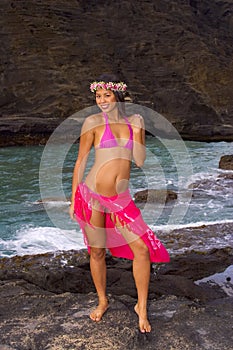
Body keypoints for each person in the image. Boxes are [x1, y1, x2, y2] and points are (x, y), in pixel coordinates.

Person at [69, 73, 169, 333]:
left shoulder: (135, 121)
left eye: (107, 95)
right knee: (97, 251)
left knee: (142, 250)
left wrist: (137, 132)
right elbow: (80, 161)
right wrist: (73, 199)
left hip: (120, 199)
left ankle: (142, 307)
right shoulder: (92, 122)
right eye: (98, 96)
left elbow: (139, 160)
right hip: (91, 195)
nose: (101, 101)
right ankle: (103, 300)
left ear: (118, 96)